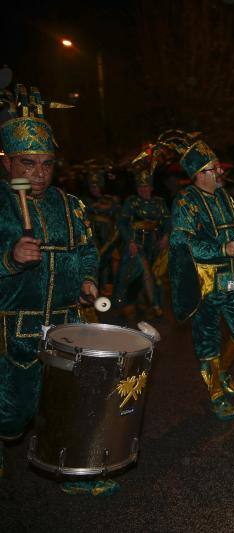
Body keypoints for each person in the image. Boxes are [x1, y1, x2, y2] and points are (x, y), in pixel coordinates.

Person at [0, 84, 116, 495]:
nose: (38, 174)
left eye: (47, 164)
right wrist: (10, 260)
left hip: (65, 326)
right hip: (13, 330)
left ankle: (72, 472)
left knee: (68, 408)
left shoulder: (70, 205)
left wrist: (87, 280)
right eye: (27, 163)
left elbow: (87, 250)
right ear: (6, 161)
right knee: (12, 416)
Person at [158, 130, 234, 421]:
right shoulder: (186, 202)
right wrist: (222, 249)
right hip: (204, 286)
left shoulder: (226, 198)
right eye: (214, 168)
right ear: (199, 174)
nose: (220, 171)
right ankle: (216, 393)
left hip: (233, 281)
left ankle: (223, 370)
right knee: (208, 343)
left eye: (218, 166)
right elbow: (182, 243)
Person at [113, 170, 170, 321]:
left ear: (151, 187)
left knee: (148, 273)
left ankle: (141, 304)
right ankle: (155, 305)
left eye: (146, 186)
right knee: (142, 269)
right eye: (140, 187)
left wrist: (166, 236)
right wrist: (129, 241)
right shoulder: (131, 201)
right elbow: (122, 223)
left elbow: (168, 222)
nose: (143, 190)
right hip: (135, 242)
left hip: (153, 243)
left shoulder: (160, 202)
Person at [81, 161, 120, 295]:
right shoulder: (85, 200)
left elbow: (117, 213)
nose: (94, 189)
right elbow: (85, 211)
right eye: (92, 186)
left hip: (109, 234)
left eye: (96, 186)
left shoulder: (111, 199)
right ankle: (96, 286)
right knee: (97, 259)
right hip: (94, 234)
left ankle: (110, 286)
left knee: (110, 260)